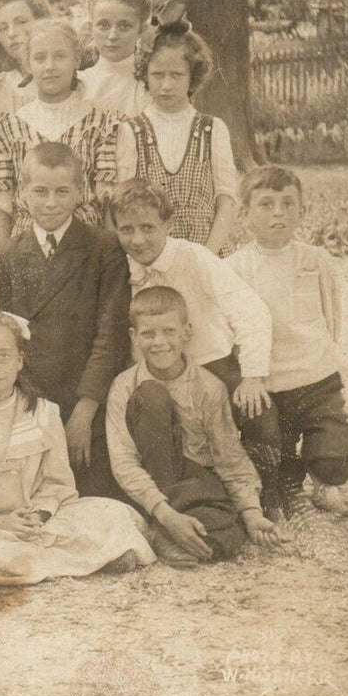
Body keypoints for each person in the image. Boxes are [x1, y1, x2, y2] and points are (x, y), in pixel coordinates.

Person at [0, 311, 155, 586]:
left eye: (3, 356)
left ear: (19, 360)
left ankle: (30, 563)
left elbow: (56, 484)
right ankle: (87, 558)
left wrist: (37, 515)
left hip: (39, 521)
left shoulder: (45, 413)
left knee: (111, 512)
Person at [110, 177, 280, 515]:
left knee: (259, 413)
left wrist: (253, 376)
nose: (138, 239)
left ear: (168, 224)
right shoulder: (121, 267)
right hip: (157, 371)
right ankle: (176, 501)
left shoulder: (194, 258)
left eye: (148, 227)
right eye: (127, 230)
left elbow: (251, 310)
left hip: (210, 364)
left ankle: (270, 496)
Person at [105, 286, 283, 566]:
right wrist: (165, 512)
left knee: (227, 540)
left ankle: (167, 532)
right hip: (149, 487)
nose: (159, 342)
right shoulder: (124, 386)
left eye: (169, 331)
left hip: (193, 483)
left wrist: (251, 512)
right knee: (152, 395)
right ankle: (161, 526)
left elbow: (229, 458)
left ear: (186, 332)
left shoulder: (209, 388)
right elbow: (124, 462)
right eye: (148, 333)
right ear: (134, 337)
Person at [0, 143, 130, 498]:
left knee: (98, 499)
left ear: (81, 193)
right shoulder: (6, 255)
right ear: (22, 194)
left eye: (62, 191)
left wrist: (84, 414)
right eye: (40, 191)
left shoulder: (104, 248)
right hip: (35, 400)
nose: (50, 203)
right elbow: (16, 338)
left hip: (87, 398)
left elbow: (110, 336)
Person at [225, 166, 348, 517]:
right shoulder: (236, 267)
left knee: (334, 449)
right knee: (276, 454)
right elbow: (230, 328)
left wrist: (323, 356)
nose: (278, 213)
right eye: (267, 205)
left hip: (317, 378)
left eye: (288, 204)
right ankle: (289, 488)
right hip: (270, 382)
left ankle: (325, 480)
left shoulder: (315, 259)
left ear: (301, 210)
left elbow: (331, 312)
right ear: (246, 215)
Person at [0, 18, 119, 247]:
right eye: (40, 58)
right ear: (28, 64)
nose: (50, 67)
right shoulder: (10, 126)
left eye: (59, 56)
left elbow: (108, 203)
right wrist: (3, 258)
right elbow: (1, 202)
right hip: (27, 248)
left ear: (76, 59)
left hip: (87, 245)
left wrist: (109, 257)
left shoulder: (100, 123)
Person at [115, 6, 239, 255]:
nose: (166, 85)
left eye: (177, 75)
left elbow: (227, 202)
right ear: (144, 74)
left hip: (208, 253)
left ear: (193, 76)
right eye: (158, 75)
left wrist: (207, 255)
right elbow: (125, 207)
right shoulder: (132, 131)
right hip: (152, 256)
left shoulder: (212, 129)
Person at [79, 0, 151, 121]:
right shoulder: (77, 84)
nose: (112, 36)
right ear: (91, 28)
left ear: (141, 30)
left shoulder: (149, 86)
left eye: (124, 26)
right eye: (103, 25)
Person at [0, 0, 52, 117]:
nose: (11, 33)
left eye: (21, 22)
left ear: (41, 21)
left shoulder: (58, 74)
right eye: (2, 28)